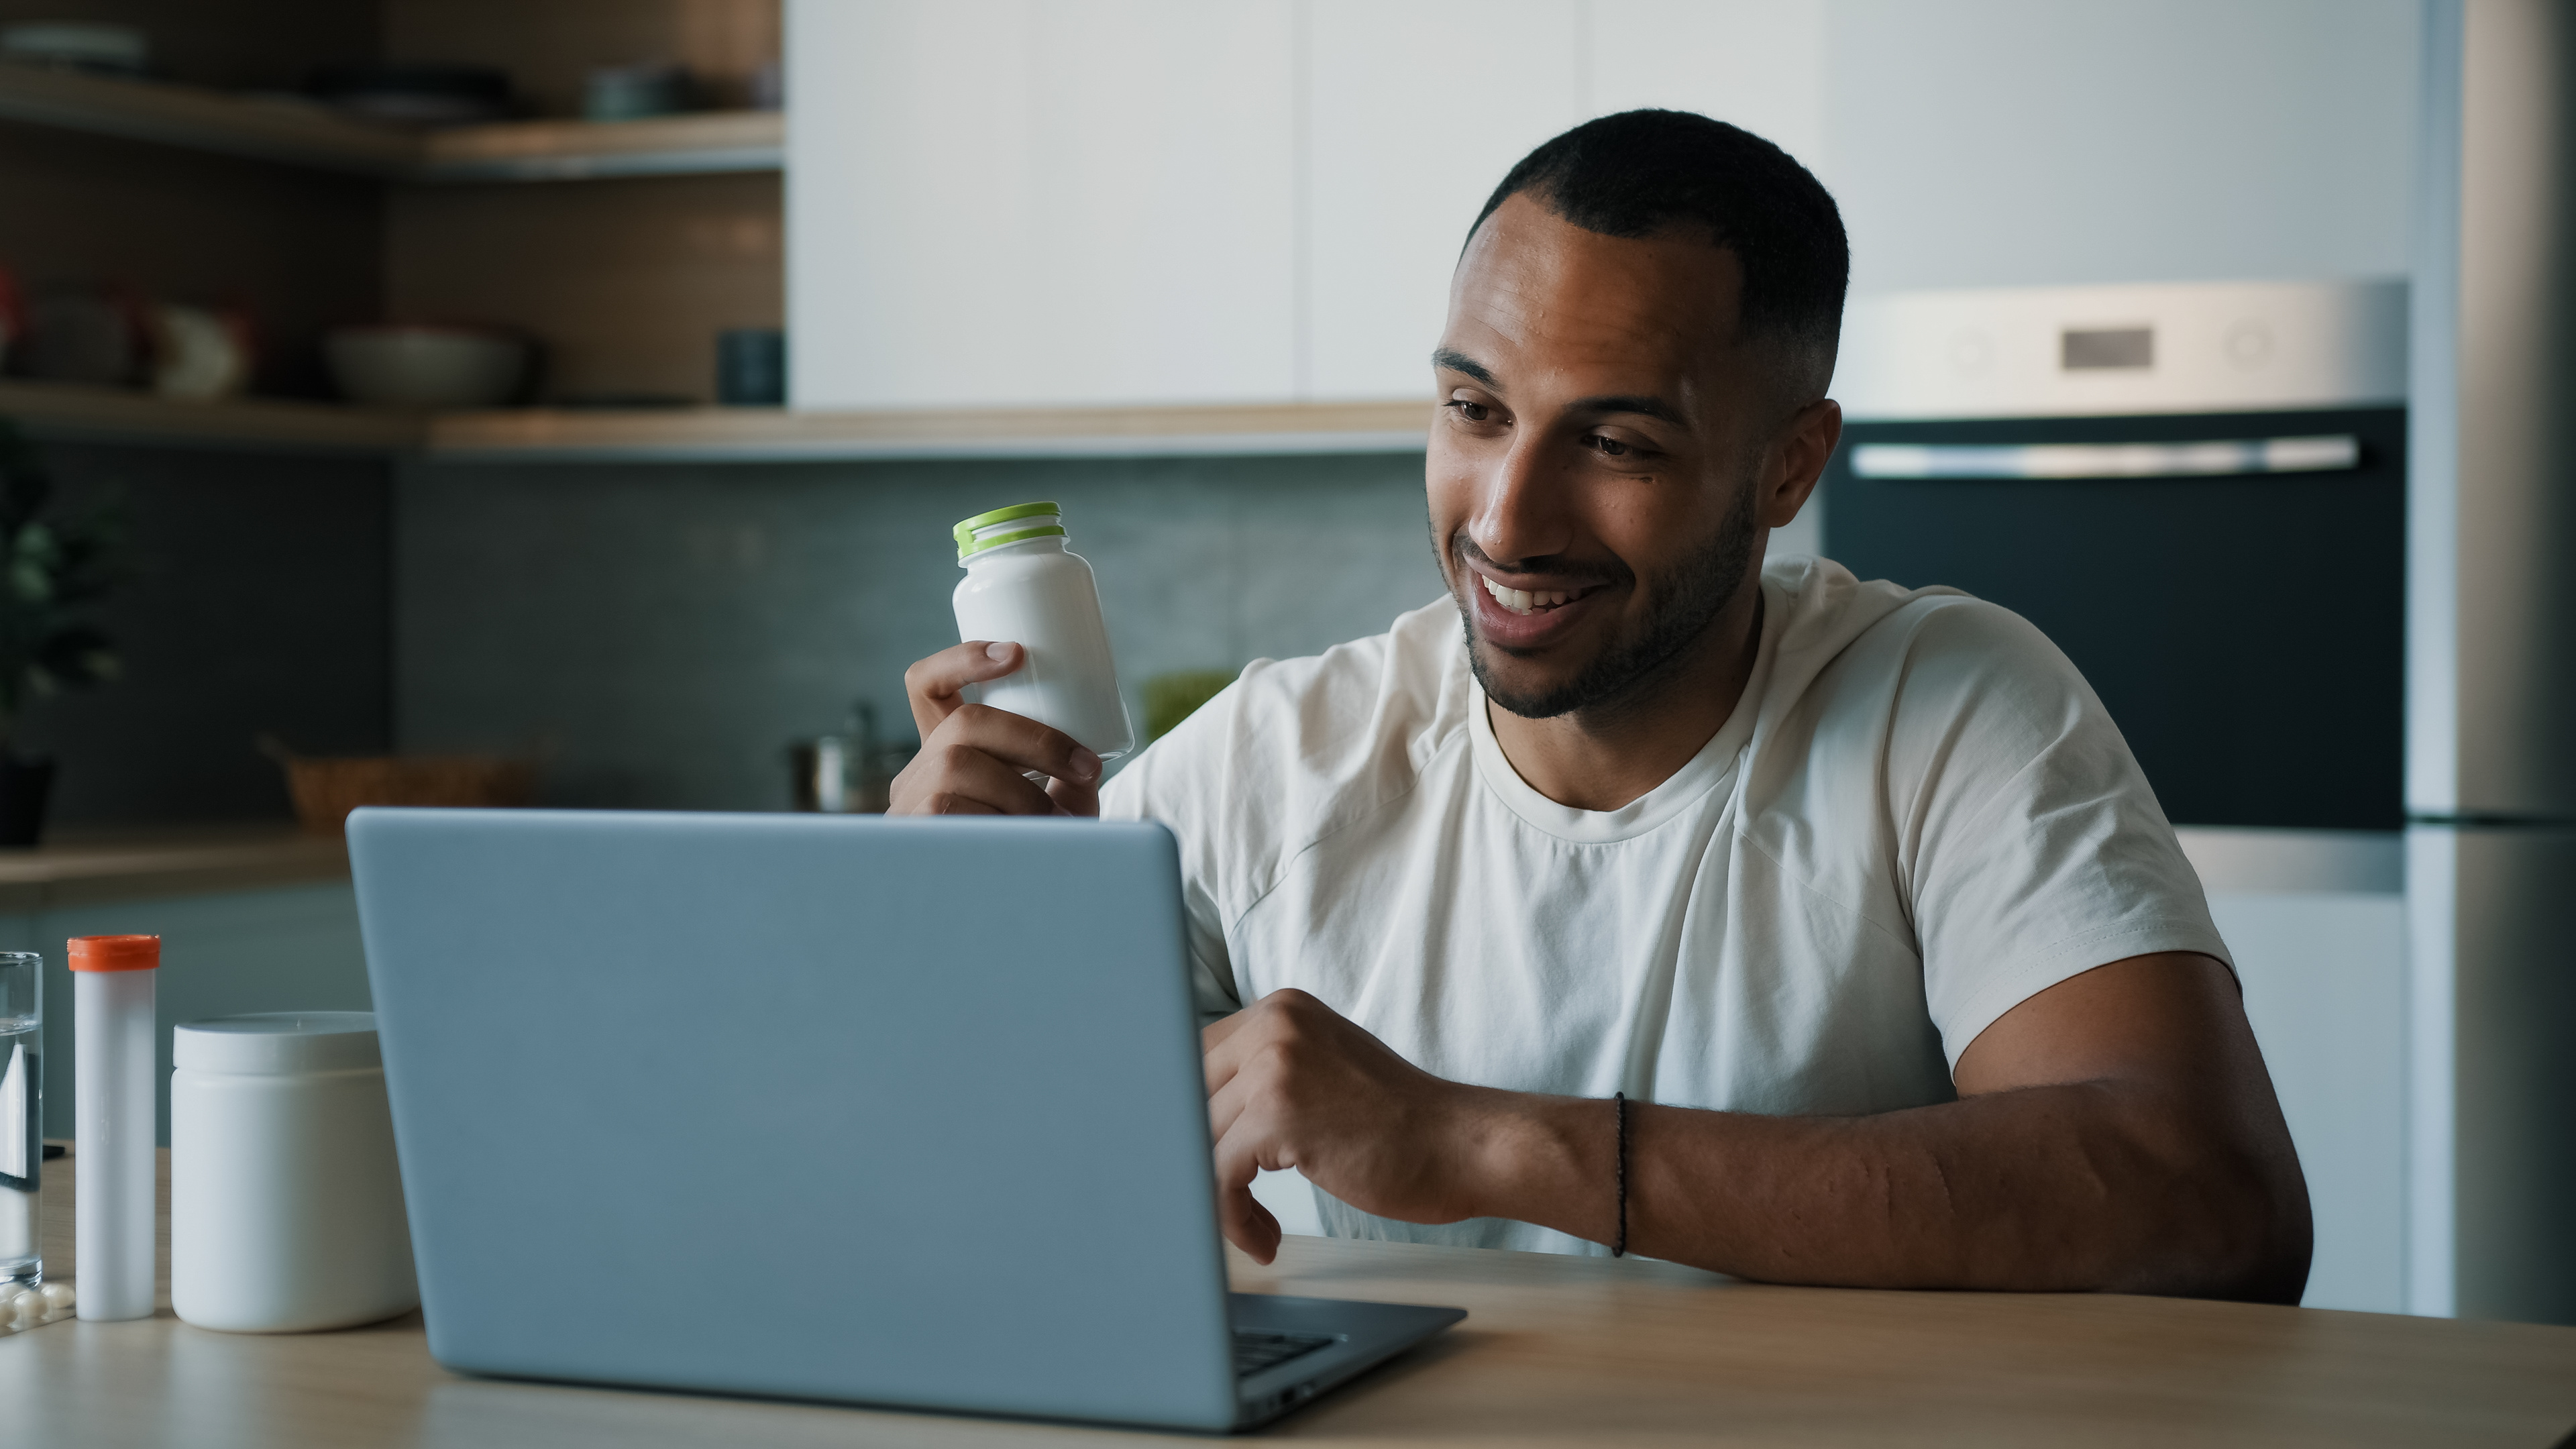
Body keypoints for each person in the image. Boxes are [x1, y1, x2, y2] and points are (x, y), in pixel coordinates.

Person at [891, 109, 2311, 1303]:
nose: (1507, 521)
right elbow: (964, 1165)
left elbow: (2209, 1207)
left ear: (1787, 469)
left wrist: (1487, 1146)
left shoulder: (1944, 708)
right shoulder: (1279, 761)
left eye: (1616, 439)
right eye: (1474, 411)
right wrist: (934, 926)